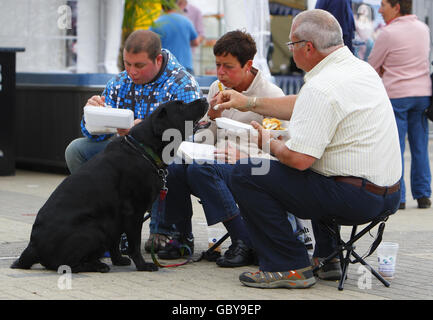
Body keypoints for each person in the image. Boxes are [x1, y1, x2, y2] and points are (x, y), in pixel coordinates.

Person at [215, 9, 401, 289]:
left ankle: (288, 264)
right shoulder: (359, 69)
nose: (289, 50)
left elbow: (299, 159)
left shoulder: (323, 86)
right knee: (322, 167)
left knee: (246, 172)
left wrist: (268, 143)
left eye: (291, 44)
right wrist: (248, 103)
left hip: (357, 197)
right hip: (389, 195)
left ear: (308, 48)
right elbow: (302, 104)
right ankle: (328, 258)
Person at [156, 30, 288, 268]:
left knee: (200, 170)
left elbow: (280, 150)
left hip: (254, 171)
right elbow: (206, 140)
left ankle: (244, 240)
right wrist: (212, 118)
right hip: (215, 163)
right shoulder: (217, 88)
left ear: (248, 65)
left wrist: (245, 157)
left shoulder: (271, 96)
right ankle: (181, 236)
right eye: (217, 65)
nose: (220, 73)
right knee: (174, 166)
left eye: (228, 67)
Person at [64, 29, 202, 252]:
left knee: (168, 160)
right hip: (125, 155)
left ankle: (166, 232)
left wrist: (145, 132)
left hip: (162, 157)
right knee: (76, 150)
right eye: (127, 64)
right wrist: (92, 114)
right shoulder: (119, 82)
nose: (131, 71)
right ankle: (104, 224)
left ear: (158, 60)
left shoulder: (182, 84)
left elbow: (191, 136)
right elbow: (90, 133)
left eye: (139, 65)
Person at [368, 0, 431, 210]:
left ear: (397, 7)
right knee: (420, 146)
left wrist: (385, 69)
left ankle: (399, 197)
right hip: (422, 94)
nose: (380, 10)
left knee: (396, 147)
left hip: (396, 96)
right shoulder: (423, 29)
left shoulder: (388, 33)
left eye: (384, 5)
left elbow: (372, 66)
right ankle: (423, 195)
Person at [150, 2, 199, 74]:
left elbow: (149, 45)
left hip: (165, 67)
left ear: (161, 6)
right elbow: (195, 42)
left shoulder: (156, 24)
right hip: (185, 66)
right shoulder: (186, 21)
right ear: (176, 4)